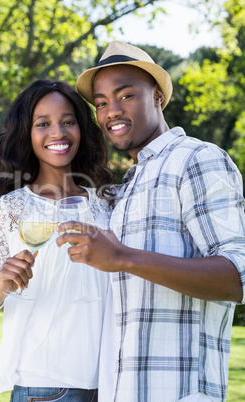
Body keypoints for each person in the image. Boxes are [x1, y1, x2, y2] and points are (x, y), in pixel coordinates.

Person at [56, 41, 245, 402]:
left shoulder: (197, 159)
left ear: (157, 96)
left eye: (126, 95)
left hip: (180, 393)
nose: (112, 111)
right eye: (100, 103)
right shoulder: (127, 185)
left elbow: (238, 276)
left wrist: (124, 258)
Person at [0, 79, 113, 401]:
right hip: (46, 386)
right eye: (43, 124)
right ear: (27, 134)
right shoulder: (12, 209)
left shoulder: (107, 205)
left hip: (112, 383)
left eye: (68, 121)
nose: (58, 133)